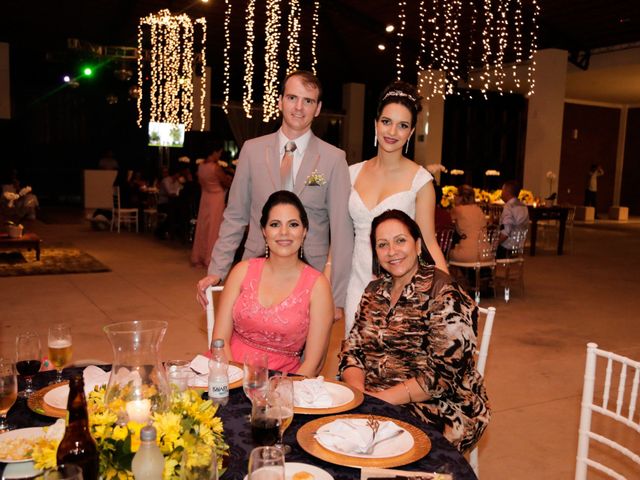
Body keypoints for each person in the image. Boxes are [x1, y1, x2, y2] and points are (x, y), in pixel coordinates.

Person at [196, 70, 353, 324]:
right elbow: (235, 216)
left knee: (301, 360)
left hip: (310, 274)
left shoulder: (334, 159)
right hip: (256, 266)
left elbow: (342, 232)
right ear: (280, 101)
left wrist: (336, 297)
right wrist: (217, 271)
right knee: (247, 350)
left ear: (318, 108)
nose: (299, 107)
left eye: (308, 101)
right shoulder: (252, 150)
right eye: (292, 98)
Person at [339, 209, 490, 453]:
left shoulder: (444, 293)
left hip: (441, 406)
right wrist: (359, 394)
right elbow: (353, 349)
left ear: (418, 245)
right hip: (374, 395)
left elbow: (442, 377)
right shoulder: (374, 291)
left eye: (400, 240)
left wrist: (380, 402)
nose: (392, 251)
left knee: (377, 447)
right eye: (382, 244)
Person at [344, 81, 448, 337]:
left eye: (402, 125)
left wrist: (447, 292)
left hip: (400, 288)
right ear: (375, 123)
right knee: (354, 364)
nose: (392, 131)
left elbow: (430, 242)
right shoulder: (351, 174)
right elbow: (341, 240)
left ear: (411, 132)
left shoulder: (420, 181)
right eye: (387, 121)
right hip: (356, 285)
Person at [212, 191, 334, 375]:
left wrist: (282, 394)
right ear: (264, 231)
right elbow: (219, 340)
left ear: (305, 231)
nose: (284, 232)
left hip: (282, 383)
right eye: (275, 224)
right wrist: (233, 379)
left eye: (293, 224)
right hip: (228, 371)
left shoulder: (318, 286)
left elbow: (312, 364)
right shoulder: (241, 271)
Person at [191, 141, 233, 267]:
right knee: (215, 228)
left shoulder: (201, 167)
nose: (219, 155)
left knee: (203, 227)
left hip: (205, 198)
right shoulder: (215, 167)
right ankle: (210, 258)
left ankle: (199, 256)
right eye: (219, 152)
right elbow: (226, 182)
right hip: (217, 199)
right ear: (214, 152)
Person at [449, 184, 487, 263]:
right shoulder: (479, 210)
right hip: (485, 252)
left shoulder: (457, 210)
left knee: (444, 252)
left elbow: (446, 223)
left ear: (461, 197)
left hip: (467, 254)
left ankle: (452, 275)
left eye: (455, 195)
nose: (453, 198)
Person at [497, 180, 529, 259]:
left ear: (507, 192)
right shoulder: (523, 206)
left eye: (502, 190)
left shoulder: (509, 207)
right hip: (519, 246)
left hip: (507, 247)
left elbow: (506, 232)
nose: (501, 194)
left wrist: (493, 245)